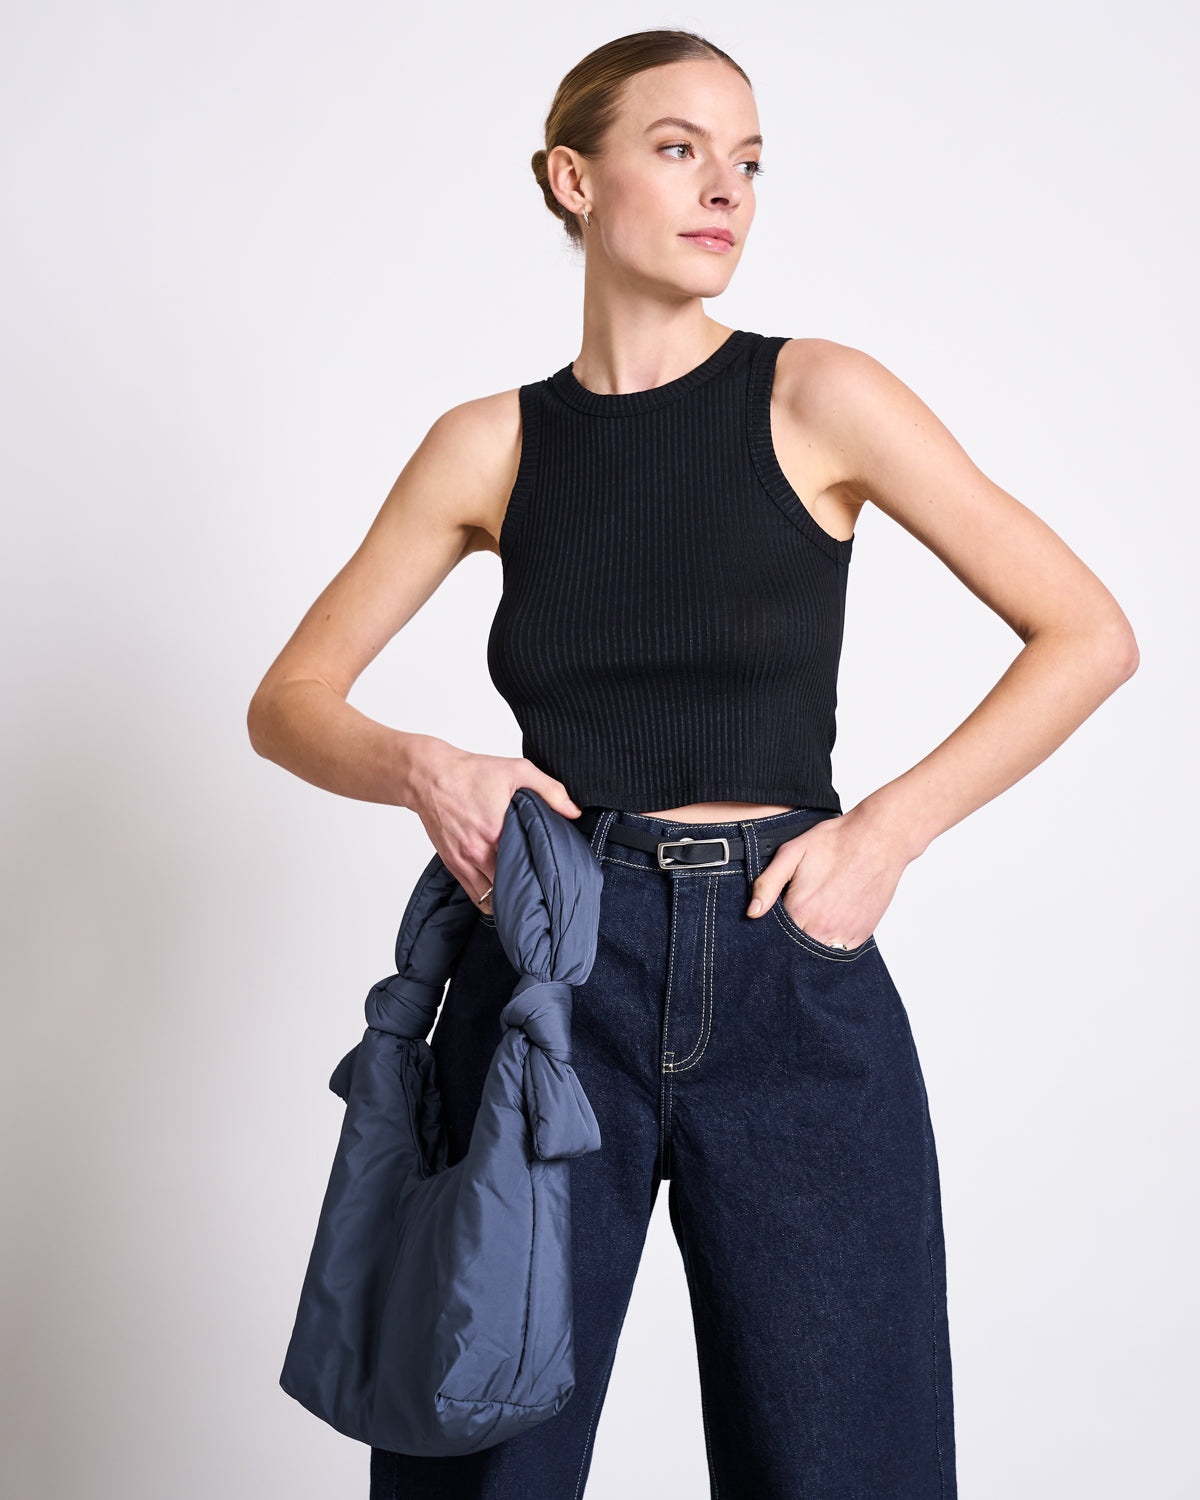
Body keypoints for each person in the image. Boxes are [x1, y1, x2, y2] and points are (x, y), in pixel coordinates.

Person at [247, 27, 1138, 1500]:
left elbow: (1088, 633)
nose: (727, 188)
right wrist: (428, 768)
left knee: (850, 1468)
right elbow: (288, 702)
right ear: (573, 177)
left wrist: (886, 833)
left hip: (790, 970)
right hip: (549, 985)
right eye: (678, 149)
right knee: (478, 1456)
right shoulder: (489, 446)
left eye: (750, 161)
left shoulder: (819, 395)